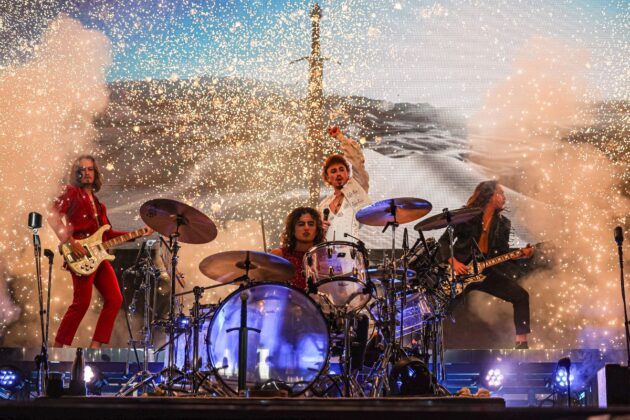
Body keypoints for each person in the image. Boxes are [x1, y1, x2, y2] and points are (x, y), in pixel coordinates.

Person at [48, 155, 152, 348]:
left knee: (115, 299)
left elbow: (107, 233)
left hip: (99, 256)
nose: (86, 173)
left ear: (95, 174)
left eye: (90, 169)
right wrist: (70, 242)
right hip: (80, 255)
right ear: (76, 174)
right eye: (82, 170)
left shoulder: (99, 205)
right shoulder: (71, 193)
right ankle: (57, 347)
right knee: (81, 303)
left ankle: (95, 346)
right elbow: (52, 217)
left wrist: (138, 233)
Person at [438, 180, 534, 349]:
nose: (504, 197)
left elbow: (502, 253)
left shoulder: (504, 224)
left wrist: (521, 255)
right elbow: (443, 242)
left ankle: (521, 344)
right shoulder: (465, 216)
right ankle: (420, 342)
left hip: (485, 271)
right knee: (440, 306)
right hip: (460, 272)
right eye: (501, 193)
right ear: (489, 195)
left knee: (521, 296)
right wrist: (454, 262)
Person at [318, 127, 371, 242]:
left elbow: (357, 162)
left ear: (347, 173)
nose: (338, 174)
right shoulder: (323, 205)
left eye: (341, 169)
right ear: (327, 178)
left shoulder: (357, 187)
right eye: (333, 171)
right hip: (328, 255)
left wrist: (340, 137)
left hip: (352, 253)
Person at [271, 207, 325, 290]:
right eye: (301, 224)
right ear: (292, 230)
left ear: (317, 230)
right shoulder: (279, 255)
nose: (306, 228)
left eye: (311, 224)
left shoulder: (326, 255)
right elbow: (268, 289)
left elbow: (340, 292)